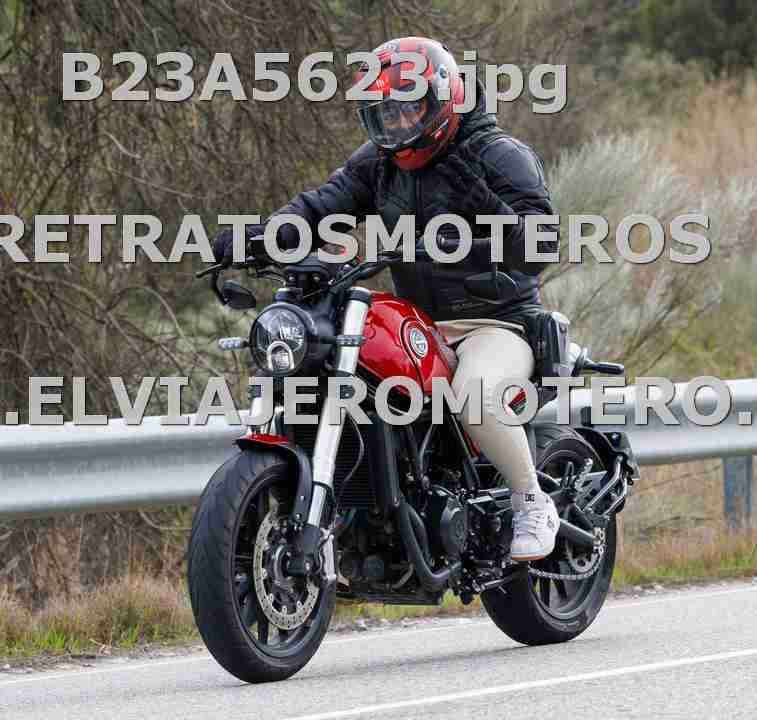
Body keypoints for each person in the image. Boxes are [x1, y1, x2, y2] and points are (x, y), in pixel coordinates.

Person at [211, 36, 560, 562]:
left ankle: (531, 500)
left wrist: (486, 209)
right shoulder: (380, 162)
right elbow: (322, 206)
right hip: (420, 322)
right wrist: (262, 235)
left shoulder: (498, 155)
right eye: (385, 114)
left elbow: (541, 247)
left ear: (442, 98)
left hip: (496, 322)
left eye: (407, 108)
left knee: (474, 393)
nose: (397, 124)